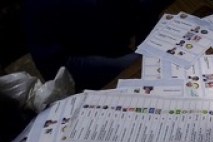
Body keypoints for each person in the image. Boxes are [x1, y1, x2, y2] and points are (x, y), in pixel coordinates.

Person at [23, 0, 173, 91]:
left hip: (113, 41)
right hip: (77, 68)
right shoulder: (40, 4)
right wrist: (137, 60)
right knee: (154, 65)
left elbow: (133, 10)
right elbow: (55, 67)